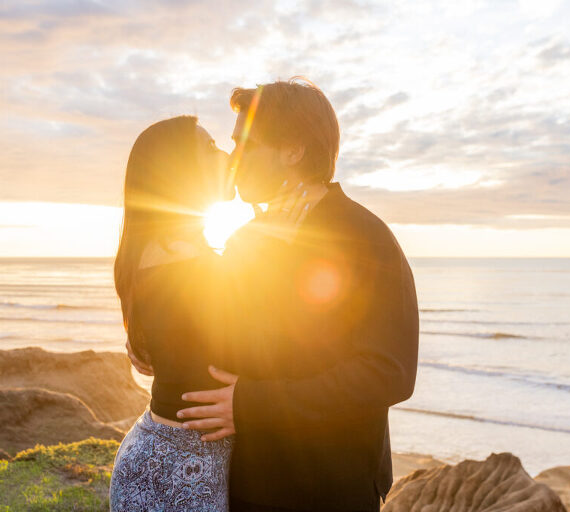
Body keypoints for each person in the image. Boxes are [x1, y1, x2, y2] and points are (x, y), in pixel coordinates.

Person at [131, 79, 420, 511]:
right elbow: (215, 332)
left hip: (328, 484)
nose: (233, 158)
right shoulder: (249, 240)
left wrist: (252, 404)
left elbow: (389, 372)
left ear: (292, 150)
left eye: (245, 144)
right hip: (249, 480)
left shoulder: (364, 237)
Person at [109, 115, 237, 511]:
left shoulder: (172, 255)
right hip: (175, 472)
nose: (228, 155)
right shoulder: (185, 265)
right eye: (211, 149)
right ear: (179, 172)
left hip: (170, 458)